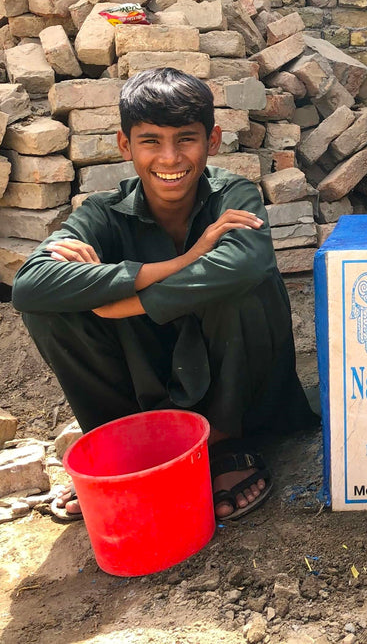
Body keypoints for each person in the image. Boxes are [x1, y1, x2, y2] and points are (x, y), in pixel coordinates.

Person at [12, 68, 317, 521]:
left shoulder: (231, 195)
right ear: (124, 145)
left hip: (242, 391)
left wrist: (128, 300)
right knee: (52, 308)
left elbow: (246, 262)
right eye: (151, 141)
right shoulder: (102, 213)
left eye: (186, 139)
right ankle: (127, 442)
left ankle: (223, 444)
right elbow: (29, 287)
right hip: (148, 381)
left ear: (212, 142)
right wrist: (182, 261)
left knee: (242, 284)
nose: (170, 158)